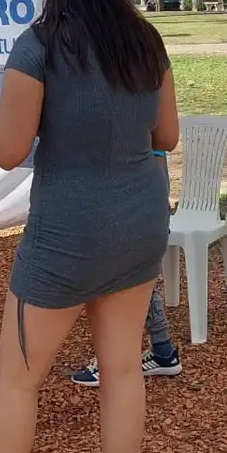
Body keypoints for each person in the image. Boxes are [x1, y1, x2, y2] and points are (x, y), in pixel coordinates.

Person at [0, 0, 179, 453]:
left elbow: (9, 149)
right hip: (139, 222)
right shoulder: (146, 41)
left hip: (67, 233)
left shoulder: (38, 45)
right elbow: (167, 136)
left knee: (17, 380)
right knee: (122, 372)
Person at [71, 150, 181, 387]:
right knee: (140, 280)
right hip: (145, 214)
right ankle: (163, 351)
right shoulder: (142, 124)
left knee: (109, 280)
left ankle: (111, 362)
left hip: (133, 215)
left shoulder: (131, 126)